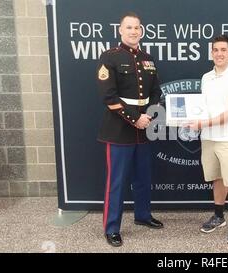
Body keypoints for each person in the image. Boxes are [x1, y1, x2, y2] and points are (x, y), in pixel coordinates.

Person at [96, 12, 163, 247]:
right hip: (119, 129)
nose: (134, 31)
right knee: (117, 181)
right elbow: (109, 96)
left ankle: (143, 216)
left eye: (137, 27)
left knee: (143, 178)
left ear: (141, 31)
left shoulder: (148, 58)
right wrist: (135, 118)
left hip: (143, 128)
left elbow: (156, 91)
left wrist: (150, 114)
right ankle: (111, 227)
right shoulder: (109, 57)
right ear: (120, 31)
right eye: (129, 27)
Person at [187, 35, 228, 245]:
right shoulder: (206, 77)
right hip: (209, 138)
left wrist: (203, 123)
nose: (219, 53)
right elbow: (203, 108)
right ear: (211, 53)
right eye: (215, 50)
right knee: (217, 179)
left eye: (223, 50)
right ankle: (219, 216)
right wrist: (193, 120)